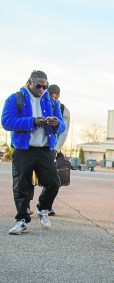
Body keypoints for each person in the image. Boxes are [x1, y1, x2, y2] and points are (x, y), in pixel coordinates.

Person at [1, 70, 65, 234]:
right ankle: (22, 220)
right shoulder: (16, 99)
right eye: (38, 85)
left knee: (54, 183)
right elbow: (6, 122)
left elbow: (62, 126)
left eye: (45, 86)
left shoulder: (52, 102)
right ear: (29, 82)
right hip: (24, 149)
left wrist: (56, 123)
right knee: (21, 185)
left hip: (45, 149)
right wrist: (33, 121)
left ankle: (43, 208)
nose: (42, 89)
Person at [45, 84, 71, 216]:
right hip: (36, 147)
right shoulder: (39, 104)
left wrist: (56, 148)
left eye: (56, 96)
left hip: (53, 147)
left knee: (53, 179)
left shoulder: (63, 109)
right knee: (29, 178)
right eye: (51, 95)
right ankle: (26, 206)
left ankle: (47, 205)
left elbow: (64, 132)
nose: (53, 98)